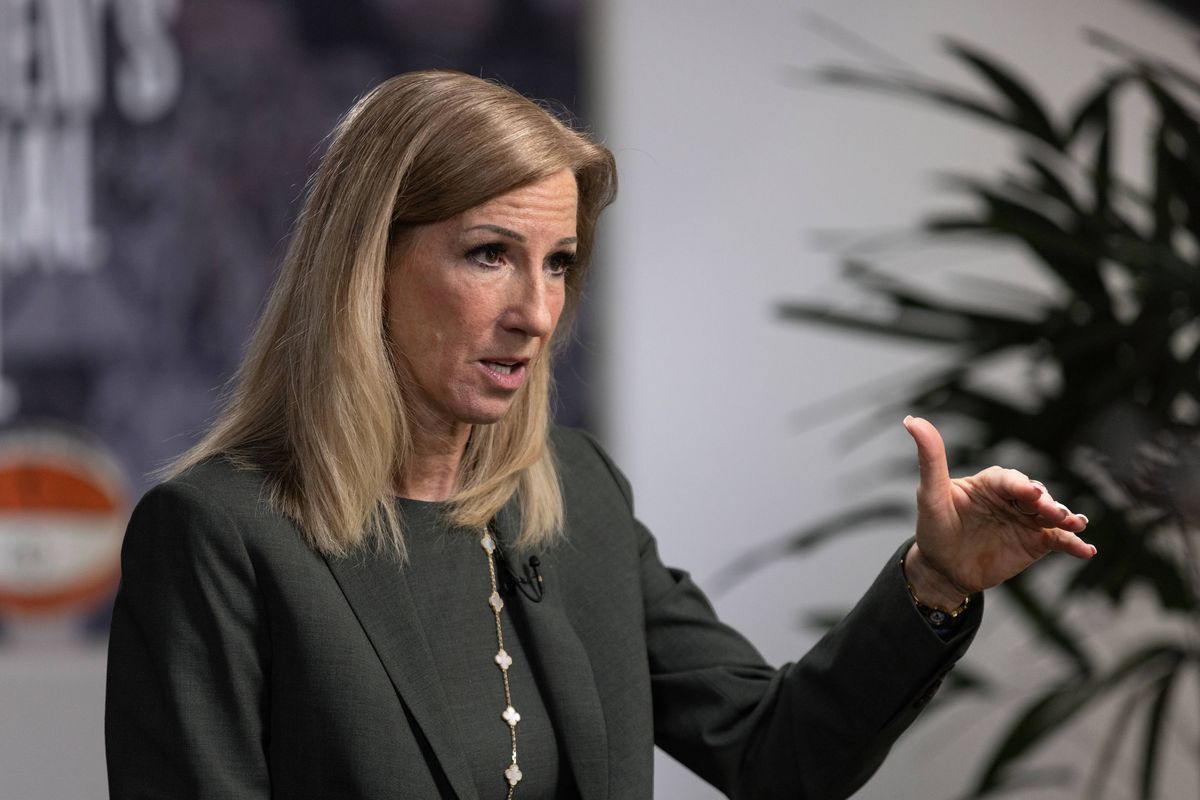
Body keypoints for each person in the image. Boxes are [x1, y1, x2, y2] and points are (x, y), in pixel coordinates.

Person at [104, 70, 1094, 800]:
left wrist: (935, 581)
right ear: (368, 265)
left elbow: (775, 754)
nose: (537, 313)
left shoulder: (575, 493)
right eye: (490, 255)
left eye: (558, 264)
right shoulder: (218, 534)